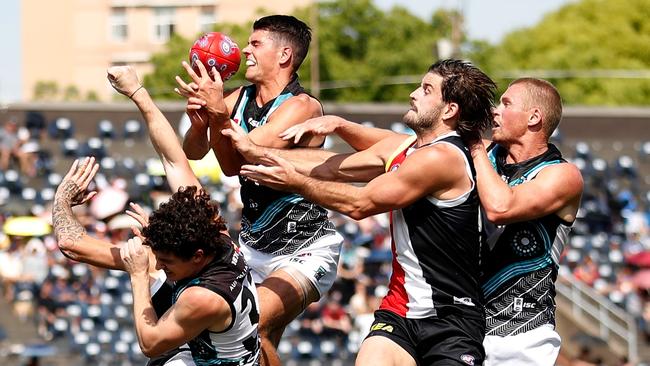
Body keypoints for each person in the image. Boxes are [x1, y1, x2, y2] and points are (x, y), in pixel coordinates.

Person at [222, 59, 497, 366]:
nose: (413, 94)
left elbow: (359, 204)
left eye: (426, 89)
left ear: (449, 110)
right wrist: (256, 151)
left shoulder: (442, 157)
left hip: (451, 318)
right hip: (399, 311)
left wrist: (296, 182)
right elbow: (329, 167)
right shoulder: (409, 148)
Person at [51, 65, 262, 365]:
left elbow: (149, 343)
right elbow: (173, 159)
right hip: (210, 341)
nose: (160, 264)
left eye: (168, 261)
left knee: (143, 272)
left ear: (198, 256)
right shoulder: (213, 230)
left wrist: (139, 276)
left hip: (207, 357)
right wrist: (138, 93)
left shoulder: (202, 298)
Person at [175, 15, 343, 365]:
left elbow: (252, 148)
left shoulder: (302, 106)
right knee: (254, 347)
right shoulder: (238, 99)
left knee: (251, 326)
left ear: (284, 55)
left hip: (306, 249)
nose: (244, 51)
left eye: (255, 44)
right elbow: (214, 159)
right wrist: (199, 119)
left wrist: (219, 115)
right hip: (254, 249)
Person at [467, 78, 583, 366]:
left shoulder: (562, 175)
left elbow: (500, 207)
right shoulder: (482, 154)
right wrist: (344, 127)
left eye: (506, 104)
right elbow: (405, 147)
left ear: (534, 117)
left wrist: (474, 148)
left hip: (522, 338)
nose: (494, 111)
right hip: (464, 328)